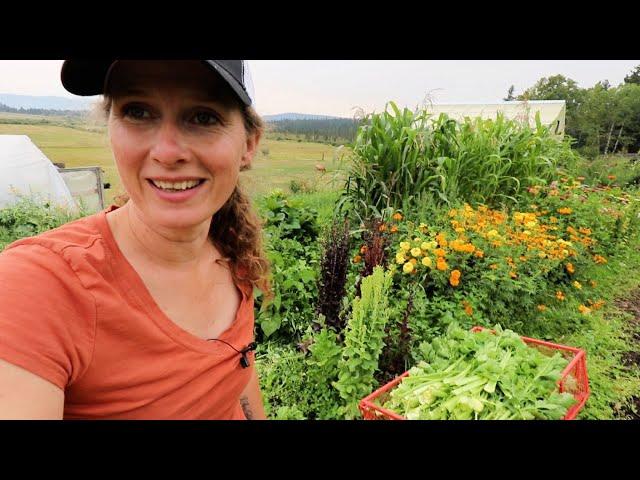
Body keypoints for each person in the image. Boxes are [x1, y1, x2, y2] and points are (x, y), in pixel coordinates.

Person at [0, 60, 271, 419]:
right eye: (138, 112)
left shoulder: (232, 250)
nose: (167, 151)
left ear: (248, 145)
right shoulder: (39, 286)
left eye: (203, 117)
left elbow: (237, 377)